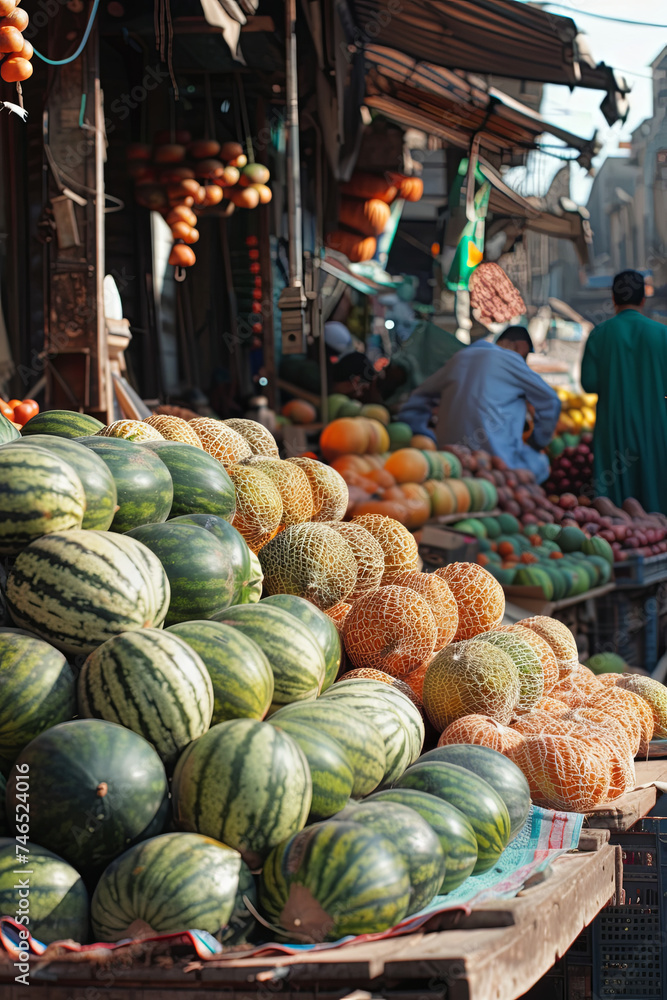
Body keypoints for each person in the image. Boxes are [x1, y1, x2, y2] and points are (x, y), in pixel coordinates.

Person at [396, 327, 561, 483]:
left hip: (449, 457)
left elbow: (417, 398)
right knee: (540, 463)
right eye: (525, 356)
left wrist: (426, 436)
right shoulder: (510, 358)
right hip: (496, 464)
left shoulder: (459, 358)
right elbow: (551, 400)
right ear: (518, 347)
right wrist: (538, 441)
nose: (523, 361)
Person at [581, 270, 667, 513]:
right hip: (657, 427)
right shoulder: (663, 334)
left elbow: (589, 384)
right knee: (656, 490)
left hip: (614, 428)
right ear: (643, 299)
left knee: (616, 503)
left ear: (614, 298)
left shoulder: (599, 334)